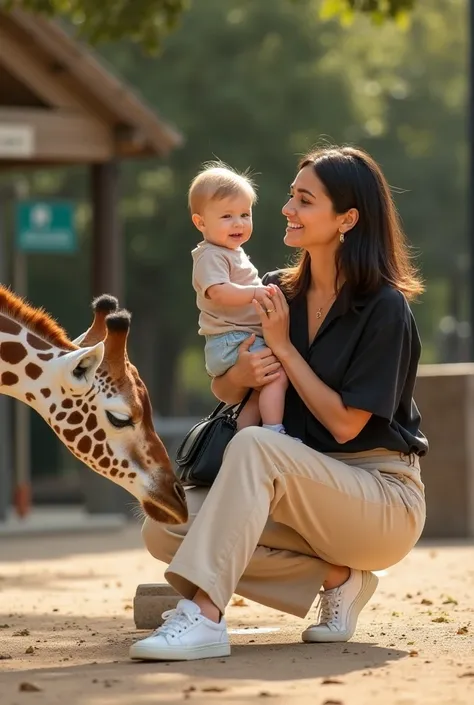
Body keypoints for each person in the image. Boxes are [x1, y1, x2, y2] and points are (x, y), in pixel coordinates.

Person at [129, 145, 428, 663]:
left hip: (378, 496)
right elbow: (229, 390)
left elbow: (342, 425)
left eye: (304, 200)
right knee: (164, 527)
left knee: (259, 445)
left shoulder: (384, 307)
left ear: (347, 219)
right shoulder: (271, 290)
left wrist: (284, 348)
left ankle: (203, 616)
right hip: (288, 487)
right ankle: (339, 580)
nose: (287, 209)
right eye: (291, 196)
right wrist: (241, 374)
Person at [189, 161, 290, 434]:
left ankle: (240, 439)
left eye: (245, 215)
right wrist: (256, 293)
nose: (239, 223)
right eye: (227, 217)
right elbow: (219, 291)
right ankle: (273, 431)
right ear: (200, 222)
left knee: (255, 396)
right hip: (232, 340)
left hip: (236, 339)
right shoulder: (210, 255)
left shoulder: (230, 252)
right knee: (276, 378)